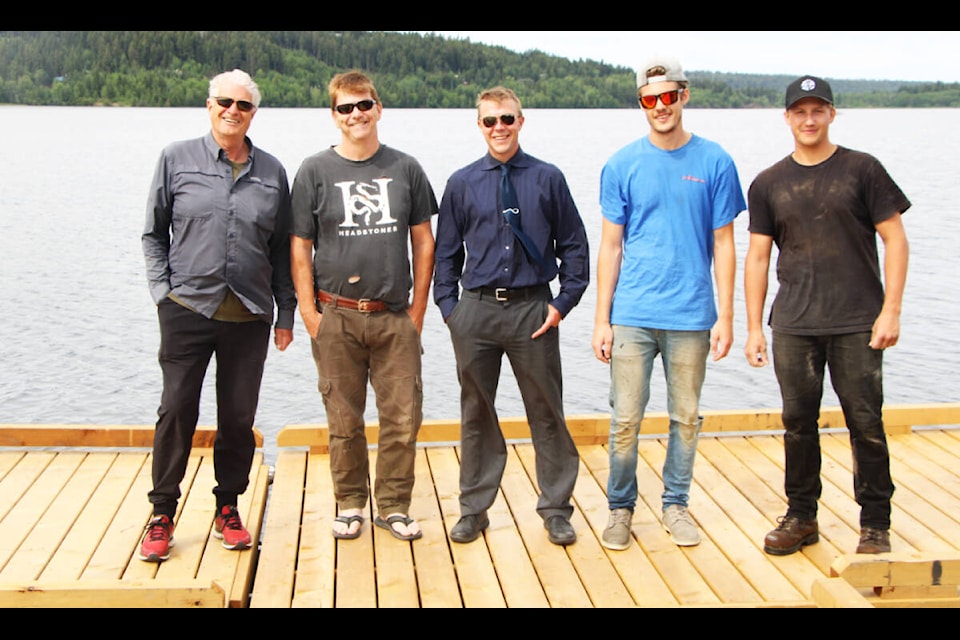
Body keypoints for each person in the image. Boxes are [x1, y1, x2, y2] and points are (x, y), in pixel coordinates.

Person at [745, 75, 910, 556]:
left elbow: (895, 239)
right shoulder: (769, 182)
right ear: (788, 118)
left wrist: (891, 311)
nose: (809, 119)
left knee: (866, 422)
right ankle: (801, 516)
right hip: (794, 323)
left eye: (818, 110)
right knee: (797, 421)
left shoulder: (863, 170)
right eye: (800, 111)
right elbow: (757, 258)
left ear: (832, 114)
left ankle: (875, 523)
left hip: (858, 321)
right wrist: (754, 326)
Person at [140, 69, 296, 562]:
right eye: (225, 102)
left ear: (254, 114)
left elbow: (282, 250)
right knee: (176, 410)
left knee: (238, 417)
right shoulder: (175, 158)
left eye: (243, 105)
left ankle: (227, 507)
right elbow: (153, 234)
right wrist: (163, 293)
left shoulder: (272, 172)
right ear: (210, 105)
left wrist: (286, 312)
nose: (233, 111)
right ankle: (162, 512)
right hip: (186, 308)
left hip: (249, 316)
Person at [591, 56, 745, 551]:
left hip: (691, 315)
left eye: (668, 95)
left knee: (686, 417)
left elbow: (724, 243)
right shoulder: (621, 164)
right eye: (649, 98)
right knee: (625, 421)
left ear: (684, 95)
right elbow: (611, 246)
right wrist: (602, 319)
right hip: (632, 314)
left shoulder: (716, 161)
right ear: (641, 102)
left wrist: (727, 315)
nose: (660, 106)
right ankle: (620, 509)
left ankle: (676, 504)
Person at [434, 86, 590, 547]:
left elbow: (575, 246)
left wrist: (562, 304)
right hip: (476, 311)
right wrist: (450, 309)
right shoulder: (462, 183)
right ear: (479, 126)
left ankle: (557, 509)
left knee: (547, 411)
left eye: (507, 119)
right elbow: (446, 253)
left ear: (521, 122)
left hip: (532, 311)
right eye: (489, 121)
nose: (498, 128)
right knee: (476, 414)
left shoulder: (548, 178)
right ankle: (473, 510)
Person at [290, 70, 437, 542]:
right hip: (335, 315)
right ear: (334, 116)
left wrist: (416, 312)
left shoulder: (406, 167)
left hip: (394, 317)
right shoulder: (314, 171)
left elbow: (424, 243)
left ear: (378, 108)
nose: (357, 115)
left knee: (402, 418)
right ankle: (351, 502)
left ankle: (393, 505)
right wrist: (310, 315)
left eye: (364, 105)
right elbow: (299, 248)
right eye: (345, 108)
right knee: (344, 420)